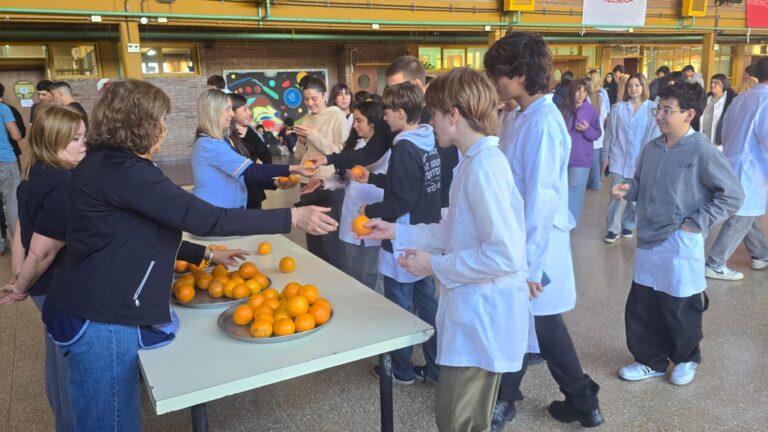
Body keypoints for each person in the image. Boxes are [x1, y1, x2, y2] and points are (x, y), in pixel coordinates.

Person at [39, 79, 337, 432]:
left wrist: (205, 255)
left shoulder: (106, 164)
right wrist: (292, 216)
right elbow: (203, 217)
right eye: (160, 120)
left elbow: (136, 234)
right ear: (139, 122)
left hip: (94, 304)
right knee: (111, 422)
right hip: (103, 318)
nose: (164, 129)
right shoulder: (125, 171)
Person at [362, 67, 530, 432]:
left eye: (434, 114)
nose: (430, 123)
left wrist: (435, 266)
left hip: (483, 318)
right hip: (470, 314)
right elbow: (453, 229)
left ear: (454, 114)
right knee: (453, 415)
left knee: (459, 420)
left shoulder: (485, 168)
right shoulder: (471, 162)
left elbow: (505, 256)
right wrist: (397, 231)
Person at [484, 32, 603, 430]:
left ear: (519, 75)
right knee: (533, 323)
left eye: (498, 75)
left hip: (537, 242)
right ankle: (580, 402)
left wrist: (532, 265)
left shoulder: (543, 123)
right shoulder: (521, 115)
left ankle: (571, 401)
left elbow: (541, 197)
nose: (494, 83)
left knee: (542, 323)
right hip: (521, 237)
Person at [613, 81, 743, 386]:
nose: (659, 115)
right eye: (658, 109)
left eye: (667, 110)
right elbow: (641, 182)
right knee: (643, 303)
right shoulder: (653, 148)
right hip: (649, 238)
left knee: (680, 304)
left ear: (689, 114)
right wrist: (630, 188)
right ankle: (650, 360)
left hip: (681, 239)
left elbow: (732, 194)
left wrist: (695, 223)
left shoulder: (701, 150)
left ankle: (686, 357)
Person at [361, 81, 442, 385]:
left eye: (388, 111)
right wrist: (374, 179)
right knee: (428, 305)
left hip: (404, 237)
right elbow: (410, 183)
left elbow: (401, 200)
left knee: (399, 307)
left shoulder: (404, 147)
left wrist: (369, 210)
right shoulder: (427, 139)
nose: (384, 116)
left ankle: (401, 369)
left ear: (401, 113)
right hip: (425, 235)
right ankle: (436, 368)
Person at [308, 56, 458, 209]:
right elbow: (369, 153)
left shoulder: (442, 114)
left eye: (397, 89)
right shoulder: (391, 124)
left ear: (417, 85)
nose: (392, 95)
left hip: (445, 201)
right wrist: (328, 159)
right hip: (407, 208)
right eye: (389, 89)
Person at [304, 100, 390, 291]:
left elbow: (389, 179)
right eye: (354, 121)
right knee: (350, 269)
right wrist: (322, 182)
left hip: (375, 216)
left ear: (373, 123)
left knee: (372, 272)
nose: (355, 125)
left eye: (360, 121)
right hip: (351, 216)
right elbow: (342, 178)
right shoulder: (353, 145)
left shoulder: (387, 150)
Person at [704, 57, 768, 281]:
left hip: (733, 161)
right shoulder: (765, 100)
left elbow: (724, 130)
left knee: (746, 212)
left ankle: (760, 254)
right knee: (742, 214)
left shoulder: (742, 98)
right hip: (752, 167)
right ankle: (715, 262)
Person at [192, 89, 311, 209]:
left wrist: (273, 182)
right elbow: (250, 171)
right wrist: (295, 168)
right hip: (216, 212)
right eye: (228, 109)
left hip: (229, 211)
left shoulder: (220, 141)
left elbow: (242, 175)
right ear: (214, 112)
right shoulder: (209, 144)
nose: (231, 114)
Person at [294, 76, 348, 268]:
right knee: (312, 234)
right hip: (307, 181)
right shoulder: (307, 118)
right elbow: (300, 154)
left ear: (325, 95)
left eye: (314, 98)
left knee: (329, 236)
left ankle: (333, 273)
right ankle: (317, 270)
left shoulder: (336, 115)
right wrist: (301, 141)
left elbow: (340, 152)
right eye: (306, 99)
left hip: (328, 183)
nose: (310, 103)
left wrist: (314, 135)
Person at [601, 73, 660, 243]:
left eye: (637, 85)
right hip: (618, 158)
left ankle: (628, 224)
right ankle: (612, 228)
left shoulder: (652, 109)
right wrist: (606, 156)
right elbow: (609, 135)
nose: (633, 89)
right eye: (630, 86)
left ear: (643, 87)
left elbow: (653, 136)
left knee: (634, 197)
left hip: (639, 161)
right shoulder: (618, 108)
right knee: (616, 196)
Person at [561, 78, 601, 225]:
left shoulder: (591, 111)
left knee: (576, 190)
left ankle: (570, 222)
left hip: (581, 158)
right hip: (563, 156)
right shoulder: (564, 109)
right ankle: (560, 221)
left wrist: (587, 129)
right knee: (562, 190)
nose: (581, 94)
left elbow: (597, 133)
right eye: (578, 90)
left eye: (584, 91)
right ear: (572, 91)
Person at [228, 93, 273, 209]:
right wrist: (255, 162)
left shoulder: (249, 132)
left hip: (254, 196)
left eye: (248, 108)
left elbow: (267, 158)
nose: (249, 112)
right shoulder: (226, 138)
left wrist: (250, 135)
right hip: (236, 199)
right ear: (231, 112)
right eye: (244, 109)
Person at [0, 83, 22, 254]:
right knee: (13, 203)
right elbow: (16, 135)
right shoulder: (3, 109)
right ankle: (19, 248)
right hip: (5, 160)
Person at [586, 70, 611, 191]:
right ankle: (596, 182)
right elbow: (606, 114)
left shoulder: (590, 97)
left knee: (592, 160)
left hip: (590, 132)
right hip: (599, 132)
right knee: (596, 160)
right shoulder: (602, 94)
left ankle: (592, 182)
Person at [701, 74, 737, 151]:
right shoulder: (705, 98)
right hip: (703, 138)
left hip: (718, 142)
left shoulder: (730, 101)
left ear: (723, 85)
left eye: (716, 83)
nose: (712, 85)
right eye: (711, 82)